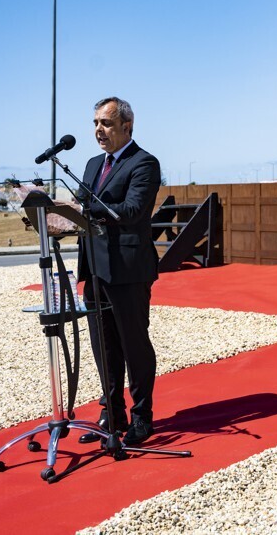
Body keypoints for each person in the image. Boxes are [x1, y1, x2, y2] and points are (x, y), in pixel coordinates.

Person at [75, 97, 161, 447]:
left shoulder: (145, 163)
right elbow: (82, 209)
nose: (99, 130)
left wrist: (87, 207)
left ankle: (142, 416)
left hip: (127, 269)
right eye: (96, 122)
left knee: (133, 344)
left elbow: (133, 210)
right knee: (104, 347)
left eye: (106, 123)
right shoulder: (93, 163)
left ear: (127, 125)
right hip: (95, 267)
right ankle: (112, 412)